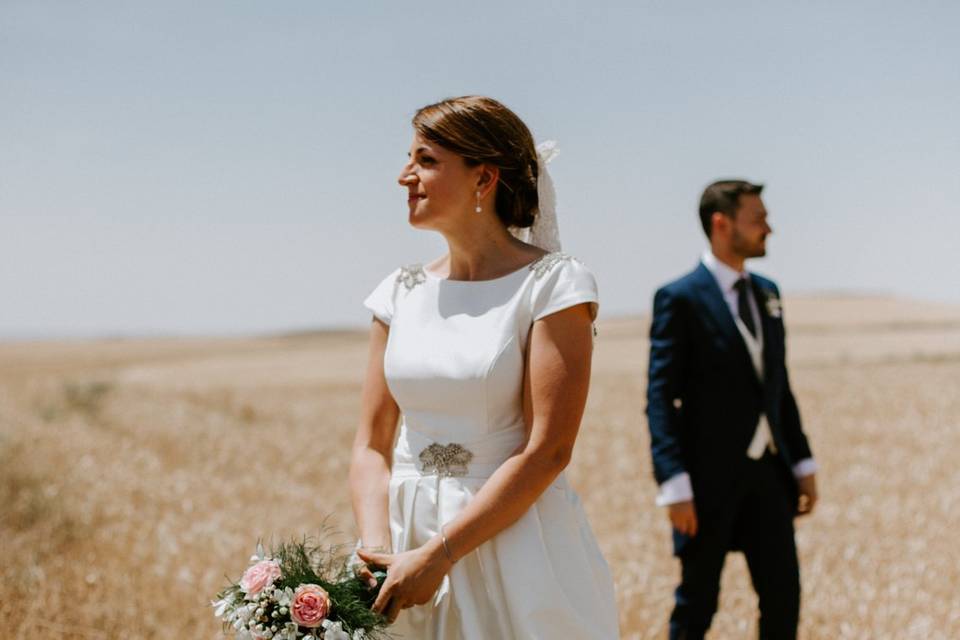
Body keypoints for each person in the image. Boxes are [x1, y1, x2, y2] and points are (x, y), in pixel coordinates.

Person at [348, 96, 619, 639]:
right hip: (401, 546)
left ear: (483, 178)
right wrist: (380, 549)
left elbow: (548, 450)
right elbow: (373, 444)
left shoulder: (554, 285)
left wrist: (440, 555)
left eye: (425, 160)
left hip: (513, 546)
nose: (405, 176)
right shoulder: (398, 292)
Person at [645, 180, 819, 639]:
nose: (769, 229)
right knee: (698, 604)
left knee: (784, 597)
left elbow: (779, 385)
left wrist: (802, 460)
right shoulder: (679, 298)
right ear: (722, 224)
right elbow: (660, 396)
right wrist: (673, 482)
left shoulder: (768, 292)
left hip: (769, 474)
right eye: (758, 219)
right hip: (705, 481)